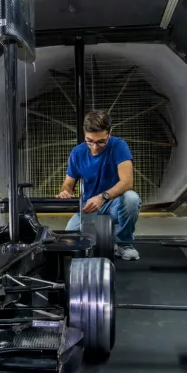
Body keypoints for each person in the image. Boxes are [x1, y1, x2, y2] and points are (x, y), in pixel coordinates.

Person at [56, 110, 141, 261]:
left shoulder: (119, 146)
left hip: (113, 203)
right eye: (90, 141)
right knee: (69, 237)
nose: (95, 147)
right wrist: (65, 191)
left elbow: (127, 182)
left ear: (110, 132)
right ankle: (110, 233)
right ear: (84, 134)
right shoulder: (77, 153)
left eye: (101, 141)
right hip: (89, 207)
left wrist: (103, 197)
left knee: (131, 199)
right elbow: (68, 184)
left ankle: (124, 243)